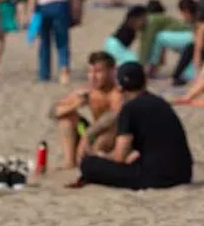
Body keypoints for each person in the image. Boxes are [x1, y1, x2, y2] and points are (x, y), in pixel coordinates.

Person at [78, 62, 193, 190]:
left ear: (120, 88)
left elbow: (119, 157)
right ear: (144, 82)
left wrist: (103, 157)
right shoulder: (161, 102)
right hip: (184, 174)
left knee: (88, 164)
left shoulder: (129, 109)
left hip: (157, 177)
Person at [49, 52, 124, 168]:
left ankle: (95, 157)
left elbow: (115, 116)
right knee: (66, 119)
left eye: (98, 72)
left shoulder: (117, 93)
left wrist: (88, 135)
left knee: (111, 129)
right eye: (90, 72)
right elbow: (53, 112)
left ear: (112, 71)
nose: (93, 77)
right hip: (92, 135)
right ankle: (69, 162)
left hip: (112, 137)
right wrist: (75, 105)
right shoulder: (88, 90)